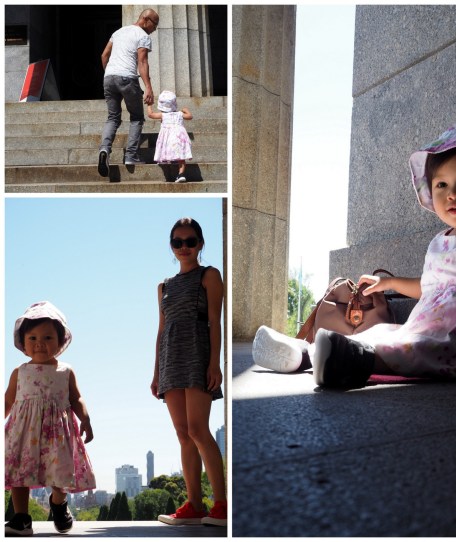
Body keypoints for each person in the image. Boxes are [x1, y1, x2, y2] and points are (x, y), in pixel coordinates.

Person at [252, 120, 456, 387]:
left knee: (425, 349)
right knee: (387, 332)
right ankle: (301, 353)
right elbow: (432, 288)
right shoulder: (439, 241)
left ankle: (353, 360)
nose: (452, 193)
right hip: (432, 321)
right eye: (441, 184)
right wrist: (390, 285)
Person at [153, 218, 227, 527]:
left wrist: (215, 363)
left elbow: (214, 321)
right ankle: (195, 504)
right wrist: (156, 373)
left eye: (190, 241)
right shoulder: (164, 286)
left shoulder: (209, 276)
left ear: (200, 243)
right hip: (171, 361)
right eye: (177, 242)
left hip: (197, 356)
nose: (184, 247)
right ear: (171, 246)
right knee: (183, 435)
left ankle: (222, 505)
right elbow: (160, 331)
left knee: (199, 430)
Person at [5, 302, 96, 536]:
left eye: (47, 337)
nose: (40, 343)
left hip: (56, 433)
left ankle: (57, 502)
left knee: (60, 473)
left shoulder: (65, 371)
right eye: (33, 338)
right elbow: (7, 401)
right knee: (19, 473)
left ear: (60, 341)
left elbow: (76, 398)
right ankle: (22, 518)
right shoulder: (19, 372)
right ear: (23, 344)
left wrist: (85, 418)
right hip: (23, 433)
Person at [98, 9, 159, 177]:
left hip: (109, 78)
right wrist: (148, 87)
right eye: (155, 24)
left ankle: (104, 149)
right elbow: (142, 61)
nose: (155, 29)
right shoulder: (143, 36)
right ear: (146, 20)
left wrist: (110, 74)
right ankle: (131, 155)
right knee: (137, 117)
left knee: (113, 117)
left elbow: (104, 55)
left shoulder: (118, 32)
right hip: (127, 79)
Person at [148, 90, 193, 183]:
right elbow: (189, 116)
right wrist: (185, 109)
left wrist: (149, 104)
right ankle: (181, 174)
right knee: (181, 157)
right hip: (180, 137)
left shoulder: (163, 115)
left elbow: (150, 114)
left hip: (169, 138)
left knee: (169, 149)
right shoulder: (180, 114)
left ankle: (170, 159)